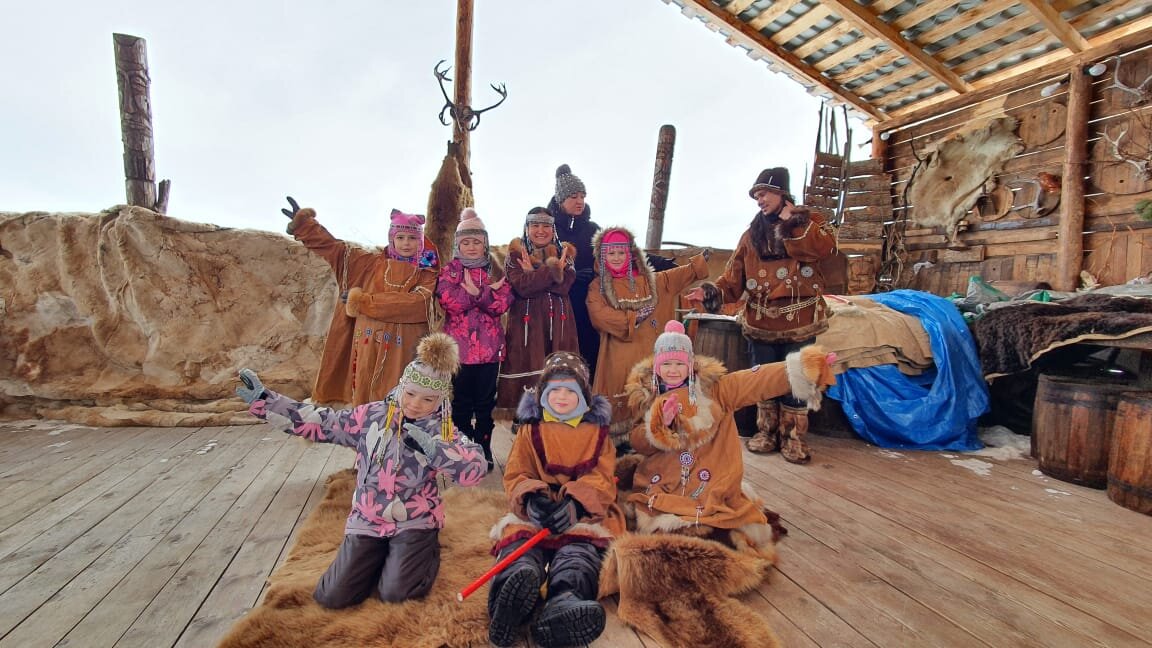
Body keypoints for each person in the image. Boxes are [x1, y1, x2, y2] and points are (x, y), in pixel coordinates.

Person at [234, 332, 487, 608]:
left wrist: (437, 450)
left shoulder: (444, 430)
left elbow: (475, 468)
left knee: (396, 593)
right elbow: (322, 422)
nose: (415, 404)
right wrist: (264, 400)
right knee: (332, 596)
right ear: (401, 386)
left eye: (428, 400)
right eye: (411, 393)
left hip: (414, 521)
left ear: (441, 401)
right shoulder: (371, 417)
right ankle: (379, 556)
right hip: (368, 519)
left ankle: (424, 551)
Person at [623, 321, 835, 557]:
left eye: (679, 364)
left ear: (691, 366)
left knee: (715, 516)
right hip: (666, 475)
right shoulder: (647, 395)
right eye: (667, 364)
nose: (673, 370)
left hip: (711, 473)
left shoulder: (717, 390)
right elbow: (636, 440)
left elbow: (755, 380)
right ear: (656, 367)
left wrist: (803, 368)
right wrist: (659, 425)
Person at [686, 167, 836, 463]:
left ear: (783, 194)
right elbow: (732, 280)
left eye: (764, 193)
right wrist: (709, 292)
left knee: (799, 379)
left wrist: (792, 222)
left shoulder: (809, 225)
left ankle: (793, 437)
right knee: (763, 379)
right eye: (756, 195)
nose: (759, 200)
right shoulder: (751, 235)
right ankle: (766, 432)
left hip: (800, 320)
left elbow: (821, 251)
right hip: (761, 320)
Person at [487, 351, 623, 648]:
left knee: (579, 554)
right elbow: (517, 471)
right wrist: (532, 497)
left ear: (584, 397)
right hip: (537, 513)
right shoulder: (531, 429)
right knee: (519, 547)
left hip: (582, 515)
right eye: (554, 390)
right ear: (542, 394)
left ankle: (565, 600)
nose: (562, 397)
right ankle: (513, 592)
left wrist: (577, 502)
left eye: (570, 391)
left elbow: (602, 476)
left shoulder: (597, 433)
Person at [282, 197, 439, 406]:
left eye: (411, 238)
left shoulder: (427, 273)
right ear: (392, 239)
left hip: (404, 349)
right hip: (366, 346)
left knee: (402, 400)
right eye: (400, 237)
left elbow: (417, 304)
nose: (406, 243)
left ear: (420, 240)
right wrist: (306, 226)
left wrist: (364, 302)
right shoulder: (368, 264)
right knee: (364, 399)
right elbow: (334, 248)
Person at [585, 225, 710, 449]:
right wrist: (633, 318)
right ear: (602, 256)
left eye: (621, 252)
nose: (616, 257)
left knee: (653, 401)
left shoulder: (654, 281)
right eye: (610, 253)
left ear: (631, 254)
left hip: (652, 357)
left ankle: (652, 441)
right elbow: (599, 316)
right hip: (617, 358)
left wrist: (700, 261)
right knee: (621, 401)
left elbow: (681, 274)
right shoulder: (598, 286)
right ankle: (619, 448)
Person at [436, 208, 513, 471]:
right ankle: (461, 449)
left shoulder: (494, 269)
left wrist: (476, 293)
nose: (471, 247)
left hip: (490, 351)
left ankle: (483, 448)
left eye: (476, 242)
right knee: (460, 403)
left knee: (484, 404)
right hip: (459, 351)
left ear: (485, 243)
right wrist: (481, 295)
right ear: (458, 244)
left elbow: (502, 302)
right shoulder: (449, 271)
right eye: (466, 242)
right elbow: (450, 301)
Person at [496, 207, 580, 415]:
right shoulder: (515, 254)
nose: (540, 230)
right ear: (527, 228)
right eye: (535, 225)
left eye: (545, 226)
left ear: (553, 230)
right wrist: (551, 271)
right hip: (528, 326)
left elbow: (564, 285)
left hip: (559, 324)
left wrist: (533, 273)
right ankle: (524, 416)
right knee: (528, 363)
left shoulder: (565, 254)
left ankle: (558, 414)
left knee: (559, 368)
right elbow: (523, 286)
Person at [547, 164, 602, 379]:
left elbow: (617, 253)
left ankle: (587, 401)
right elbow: (540, 266)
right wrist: (573, 276)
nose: (580, 201)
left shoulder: (592, 229)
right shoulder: (548, 230)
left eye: (583, 196)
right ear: (561, 200)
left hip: (588, 302)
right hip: (559, 301)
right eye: (573, 196)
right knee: (559, 352)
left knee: (589, 351)